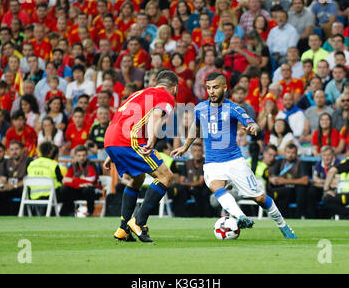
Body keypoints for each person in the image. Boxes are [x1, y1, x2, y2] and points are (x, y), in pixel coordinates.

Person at [171, 71, 297, 239]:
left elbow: (251, 123)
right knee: (216, 187)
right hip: (212, 162)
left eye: (215, 87)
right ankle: (241, 217)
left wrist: (253, 128)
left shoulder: (233, 108)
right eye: (208, 88)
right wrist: (186, 146)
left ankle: (283, 225)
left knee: (259, 198)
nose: (211, 91)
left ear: (224, 87)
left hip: (234, 161)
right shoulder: (200, 108)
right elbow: (196, 127)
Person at [103, 70, 179, 243]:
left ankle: (123, 229)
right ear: (174, 88)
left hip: (113, 138)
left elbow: (119, 116)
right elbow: (156, 115)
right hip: (129, 139)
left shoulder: (138, 93)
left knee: (137, 179)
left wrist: (111, 151)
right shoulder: (166, 96)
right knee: (166, 176)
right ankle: (139, 221)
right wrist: (152, 138)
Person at [268, 143, 309, 218]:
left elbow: (305, 181)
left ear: (296, 154)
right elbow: (272, 176)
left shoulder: (301, 163)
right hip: (282, 189)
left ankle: (298, 217)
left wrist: (285, 181)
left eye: (293, 153)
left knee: (300, 190)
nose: (290, 155)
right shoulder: (280, 162)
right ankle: (280, 219)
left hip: (294, 191)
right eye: (288, 152)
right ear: (284, 153)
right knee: (281, 197)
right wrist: (272, 180)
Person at [0, 140, 33, 215]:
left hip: (21, 187)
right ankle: (0, 215)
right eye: (12, 150)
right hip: (10, 187)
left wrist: (14, 186)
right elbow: (3, 177)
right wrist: (1, 184)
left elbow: (29, 178)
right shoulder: (7, 162)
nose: (14, 152)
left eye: (17, 149)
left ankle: (24, 214)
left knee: (25, 190)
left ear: (22, 150)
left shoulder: (29, 161)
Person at [26, 142, 63, 211]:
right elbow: (60, 181)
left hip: (33, 196)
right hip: (51, 196)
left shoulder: (32, 164)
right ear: (51, 152)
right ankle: (65, 213)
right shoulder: (54, 164)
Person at [308, 146, 340, 219]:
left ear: (333, 155)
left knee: (328, 197)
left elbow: (336, 182)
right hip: (323, 187)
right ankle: (311, 218)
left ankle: (326, 219)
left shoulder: (338, 163)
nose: (326, 158)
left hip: (333, 189)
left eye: (328, 155)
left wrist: (321, 181)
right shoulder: (319, 163)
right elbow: (315, 179)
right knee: (310, 192)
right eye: (324, 155)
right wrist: (327, 182)